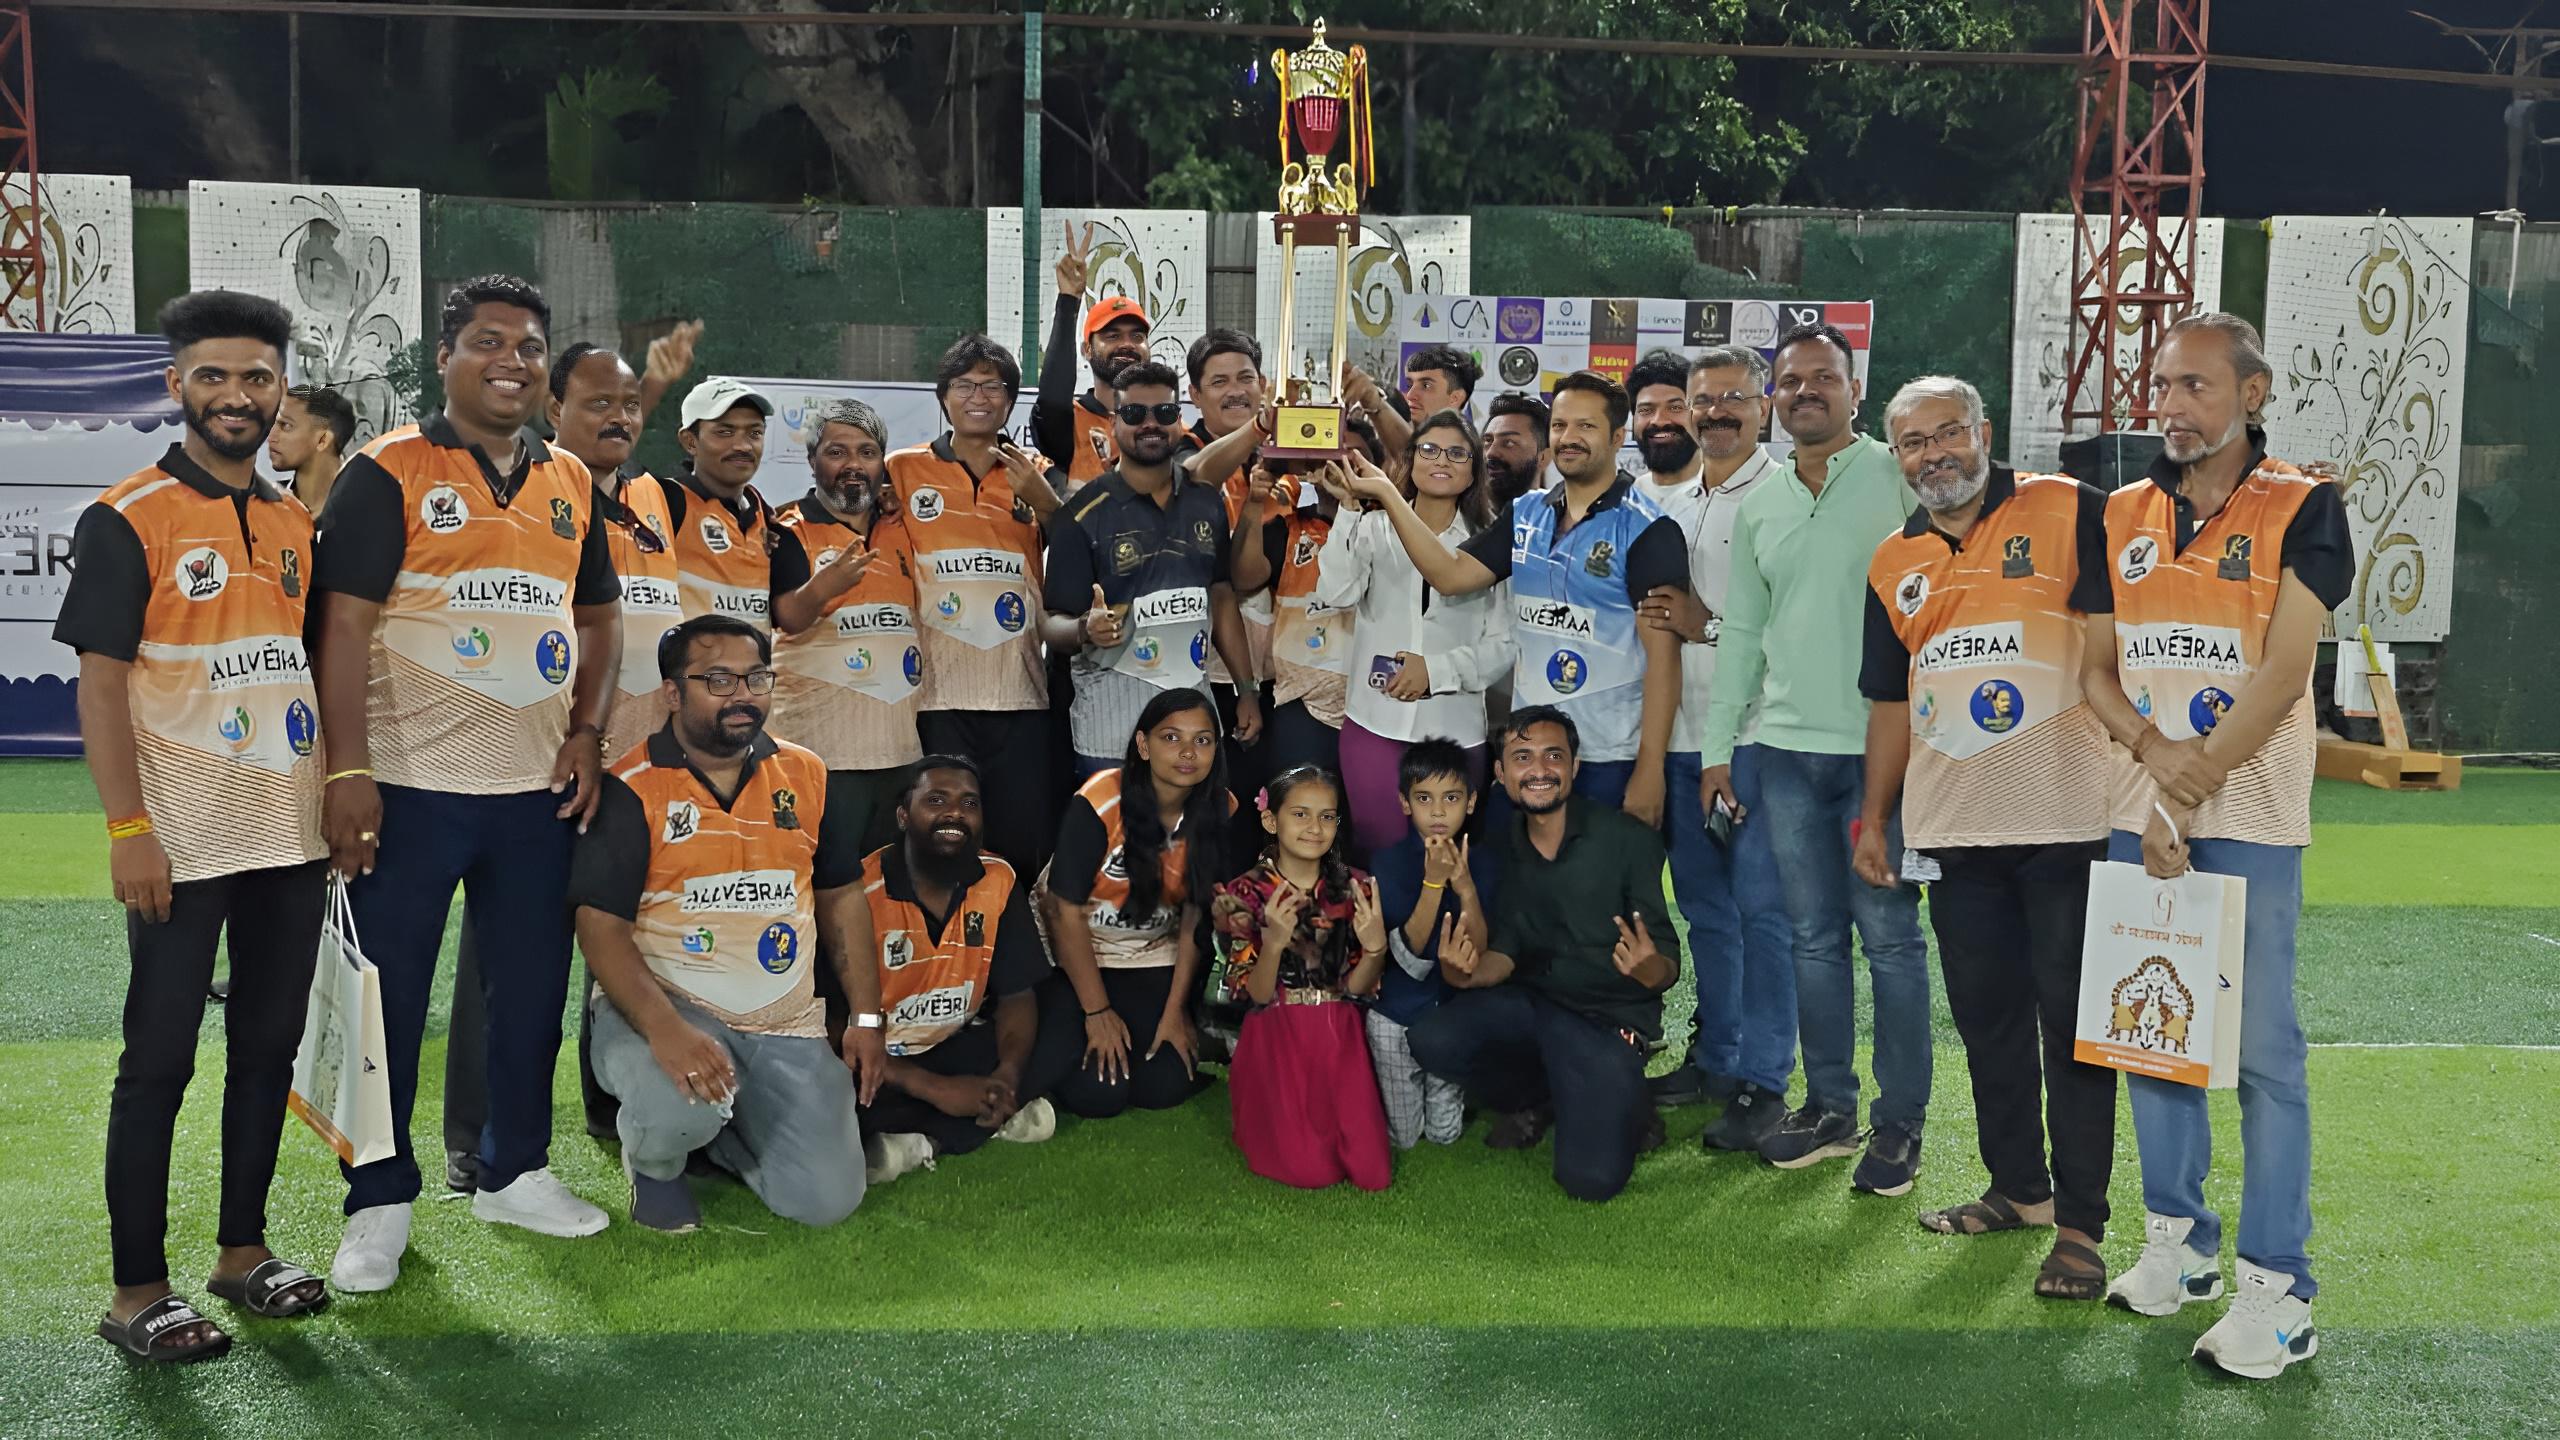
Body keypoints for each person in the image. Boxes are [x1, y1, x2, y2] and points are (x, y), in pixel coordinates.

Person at [311, 274, 622, 1291]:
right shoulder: (388, 469)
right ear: (443, 358)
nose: (512, 361)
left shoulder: (568, 478)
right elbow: (341, 627)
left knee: (528, 993)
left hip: (535, 794)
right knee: (387, 1001)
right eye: (488, 341)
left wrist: (587, 731)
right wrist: (347, 768)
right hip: (408, 788)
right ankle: (378, 1200)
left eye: (529, 347)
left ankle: (515, 1171)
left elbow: (599, 619)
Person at [2081, 313, 2351, 1381]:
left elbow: (2283, 675)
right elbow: (2097, 669)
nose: (2171, 404)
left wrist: (2187, 787)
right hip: (2136, 808)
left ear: (2252, 392)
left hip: (2249, 815)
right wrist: (2155, 759)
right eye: (2162, 385)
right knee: (2151, 1031)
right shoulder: (2120, 512)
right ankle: (2180, 1246)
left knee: (2261, 1053)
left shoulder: (2304, 505)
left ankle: (2280, 1293)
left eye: (2194, 384)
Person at [63, 291, 331, 1361]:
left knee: (266, 1047)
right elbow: (100, 687)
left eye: (256, 377)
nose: (235, 395)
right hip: (181, 839)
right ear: (176, 384)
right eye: (213, 375)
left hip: (289, 836)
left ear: (279, 391)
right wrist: (128, 827)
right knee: (159, 1062)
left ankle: (241, 1254)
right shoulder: (128, 515)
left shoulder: (293, 521)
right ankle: (137, 1292)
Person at [1854, 375, 2119, 1299]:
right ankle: (2020, 1190)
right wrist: (1875, 818)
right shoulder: (1893, 560)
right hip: (1955, 833)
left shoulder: (2074, 509)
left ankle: (2081, 1227)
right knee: (1988, 1024)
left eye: (1948, 433)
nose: (1934, 454)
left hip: (2069, 822)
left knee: (2075, 1033)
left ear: (1984, 431)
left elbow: (2158, 563)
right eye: (1914, 442)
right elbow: (1891, 702)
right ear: (1898, 457)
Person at [1696, 321, 1931, 1194]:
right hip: (1787, 756)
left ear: (1854, 390)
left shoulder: (1898, 475)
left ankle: (1899, 1126)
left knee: (1891, 941)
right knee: (1812, 942)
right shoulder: (1762, 504)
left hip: (1884, 755)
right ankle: (1831, 1107)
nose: (1805, 392)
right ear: (1773, 399)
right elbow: (1743, 636)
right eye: (1790, 381)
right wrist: (1718, 749)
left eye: (1822, 378)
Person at [443, 341, 673, 1184]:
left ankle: (613, 1105)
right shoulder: (527, 492)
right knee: (507, 960)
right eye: (597, 403)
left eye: (630, 405)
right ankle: (476, 1136)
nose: (619, 418)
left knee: (632, 940)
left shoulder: (652, 497)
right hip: (542, 767)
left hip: (642, 772)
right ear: (553, 411)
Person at [572, 615, 882, 1232]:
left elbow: (844, 897)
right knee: (677, 1107)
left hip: (783, 1023)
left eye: (755, 678)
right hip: (667, 1010)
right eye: (718, 680)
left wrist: (867, 1017)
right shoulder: (631, 788)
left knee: (826, 1201)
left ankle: (722, 1135)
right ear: (672, 693)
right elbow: (599, 928)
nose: (742, 695)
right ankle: (656, 1163)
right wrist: (667, 1032)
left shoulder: (807, 774)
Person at [1343, 370, 1688, 824]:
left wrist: (1650, 768)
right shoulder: (1526, 514)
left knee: (1601, 871)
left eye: (1586, 426)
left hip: (1608, 756)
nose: (1569, 437)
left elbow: (1664, 661)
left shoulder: (1648, 528)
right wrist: (1389, 495)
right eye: (1560, 425)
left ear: (1618, 437)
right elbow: (1449, 575)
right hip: (1528, 753)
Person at [1411, 708, 1677, 1201]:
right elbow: (1507, 950)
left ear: (1575, 766)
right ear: (1500, 772)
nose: (1539, 769)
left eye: (1553, 756)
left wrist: (1649, 968)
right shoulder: (1502, 845)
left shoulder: (1628, 840)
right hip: (1536, 1009)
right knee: (1433, 1038)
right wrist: (1465, 975)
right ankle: (1544, 1098)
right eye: (1522, 757)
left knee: (1590, 1180)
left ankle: (1628, 1102)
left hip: (1605, 1024)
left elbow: (1665, 965)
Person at [1636, 347, 1796, 1157]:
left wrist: (1710, 626)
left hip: (1757, 743)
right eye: (1703, 400)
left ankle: (1767, 1082)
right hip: (1683, 743)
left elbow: (1802, 635)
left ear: (1763, 407)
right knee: (1707, 915)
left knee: (1765, 917)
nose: (1715, 412)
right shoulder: (1674, 500)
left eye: (1734, 397)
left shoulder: (1786, 497)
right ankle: (1719, 1059)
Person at [854, 757, 1085, 1183]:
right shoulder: (860, 889)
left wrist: (1008, 1074)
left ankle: (933, 1137)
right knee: (835, 1094)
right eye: (936, 800)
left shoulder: (998, 879)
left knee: (1066, 1007)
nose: (955, 813)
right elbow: (832, 1024)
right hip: (881, 1063)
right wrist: (933, 1088)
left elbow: (1017, 993)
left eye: (969, 803)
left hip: (958, 1044)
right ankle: (992, 1115)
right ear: (903, 816)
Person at [886, 334, 1065, 878]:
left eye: (992, 387)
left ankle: (1012, 929)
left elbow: (1078, 550)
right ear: (943, 397)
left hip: (1020, 692)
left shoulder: (1036, 469)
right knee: (940, 840)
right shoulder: (902, 469)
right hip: (937, 696)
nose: (978, 398)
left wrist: (1045, 502)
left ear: (1010, 401)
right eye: (964, 386)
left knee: (1020, 841)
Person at [1041, 361, 1260, 772]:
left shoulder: (1207, 502)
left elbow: (1221, 594)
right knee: (1113, 818)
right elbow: (1050, 622)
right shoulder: (1082, 515)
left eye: (1164, 412)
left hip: (1192, 713)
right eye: (1134, 413)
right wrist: (1084, 628)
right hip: (1111, 721)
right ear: (1113, 423)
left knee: (1200, 816)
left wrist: (1246, 689)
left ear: (1179, 419)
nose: (1150, 424)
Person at [1314, 409, 1508, 852]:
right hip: (1374, 722)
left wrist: (1435, 673)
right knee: (1378, 853)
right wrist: (1348, 510)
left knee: (1447, 856)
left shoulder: (1490, 541)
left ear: (1474, 470)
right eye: (1430, 449)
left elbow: (1503, 646)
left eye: (1458, 453)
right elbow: (1336, 593)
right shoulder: (1372, 527)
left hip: (1454, 728)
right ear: (1411, 459)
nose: (1442, 460)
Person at [1040, 688, 1229, 1118]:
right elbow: (1063, 911)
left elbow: (1195, 916)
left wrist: (1176, 1011)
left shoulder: (1218, 808)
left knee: (1164, 1085)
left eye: (1202, 740)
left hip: (1148, 952)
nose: (1187, 752)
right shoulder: (1101, 798)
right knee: (1099, 1093)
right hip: (1075, 951)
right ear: (1143, 745)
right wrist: (1098, 1011)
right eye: (1171, 737)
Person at [1210, 766, 1393, 1189]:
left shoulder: (1356, 887)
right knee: (1311, 1171)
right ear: (1270, 819)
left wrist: (1376, 949)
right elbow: (1252, 995)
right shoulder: (1241, 894)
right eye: (1300, 814)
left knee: (1373, 1174)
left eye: (1327, 816)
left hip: (1340, 1034)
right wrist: (1273, 943)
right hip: (1277, 1031)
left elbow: (1357, 988)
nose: (1315, 827)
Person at [767, 397, 917, 859]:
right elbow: (786, 617)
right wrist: (821, 589)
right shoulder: (787, 531)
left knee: (884, 884)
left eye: (867, 452)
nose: (853, 464)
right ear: (812, 460)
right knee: (826, 878)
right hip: (822, 752)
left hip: (900, 751)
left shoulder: (902, 524)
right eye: (837, 452)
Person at [1362, 739, 1496, 1149]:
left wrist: (1466, 888)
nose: (1438, 812)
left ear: (1471, 802)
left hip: (1448, 1018)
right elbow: (1405, 956)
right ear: (1405, 803)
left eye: (1451, 798)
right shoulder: (1387, 863)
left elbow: (1480, 951)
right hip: (1395, 1015)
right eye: (1424, 798)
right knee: (1404, 1138)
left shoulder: (1484, 861)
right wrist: (1433, 884)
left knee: (1444, 1134)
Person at [1033, 220, 1152, 491]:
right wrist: (1068, 301)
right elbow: (1052, 401)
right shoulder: (1070, 422)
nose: (1127, 344)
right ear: (1086, 350)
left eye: (1137, 336)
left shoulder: (1165, 421)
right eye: (1112, 336)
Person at [660, 377, 778, 630]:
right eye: (725, 432)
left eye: (755, 433)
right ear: (690, 441)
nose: (743, 446)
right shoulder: (665, 501)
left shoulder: (764, 514)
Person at [266, 382, 355, 514]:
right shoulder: (265, 506)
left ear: (322, 440)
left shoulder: (369, 509)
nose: (270, 437)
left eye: (286, 425)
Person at [1626, 348, 1703, 495]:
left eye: (1675, 408)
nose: (1659, 421)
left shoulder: (1730, 497)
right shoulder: (1632, 495)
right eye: (1646, 410)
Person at [1481, 390, 1551, 510]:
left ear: (1543, 457)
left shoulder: (1563, 519)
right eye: (1488, 441)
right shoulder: (1455, 518)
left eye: (1509, 442)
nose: (1491, 453)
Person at [1401, 343, 1482, 424]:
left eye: (1426, 386)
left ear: (1455, 398)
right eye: (1410, 385)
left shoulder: (1477, 424)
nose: (1409, 396)